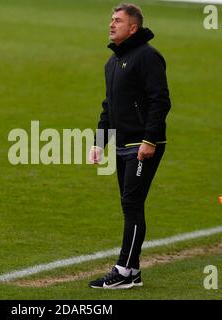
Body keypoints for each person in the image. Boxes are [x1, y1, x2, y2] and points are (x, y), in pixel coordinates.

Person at [89, 3, 171, 289]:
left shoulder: (147, 57)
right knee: (130, 204)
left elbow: (160, 100)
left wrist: (149, 139)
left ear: (133, 27)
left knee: (131, 204)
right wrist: (100, 143)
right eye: (111, 20)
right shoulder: (112, 62)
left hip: (142, 145)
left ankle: (123, 270)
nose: (111, 25)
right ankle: (132, 271)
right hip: (123, 145)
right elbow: (108, 107)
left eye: (118, 21)